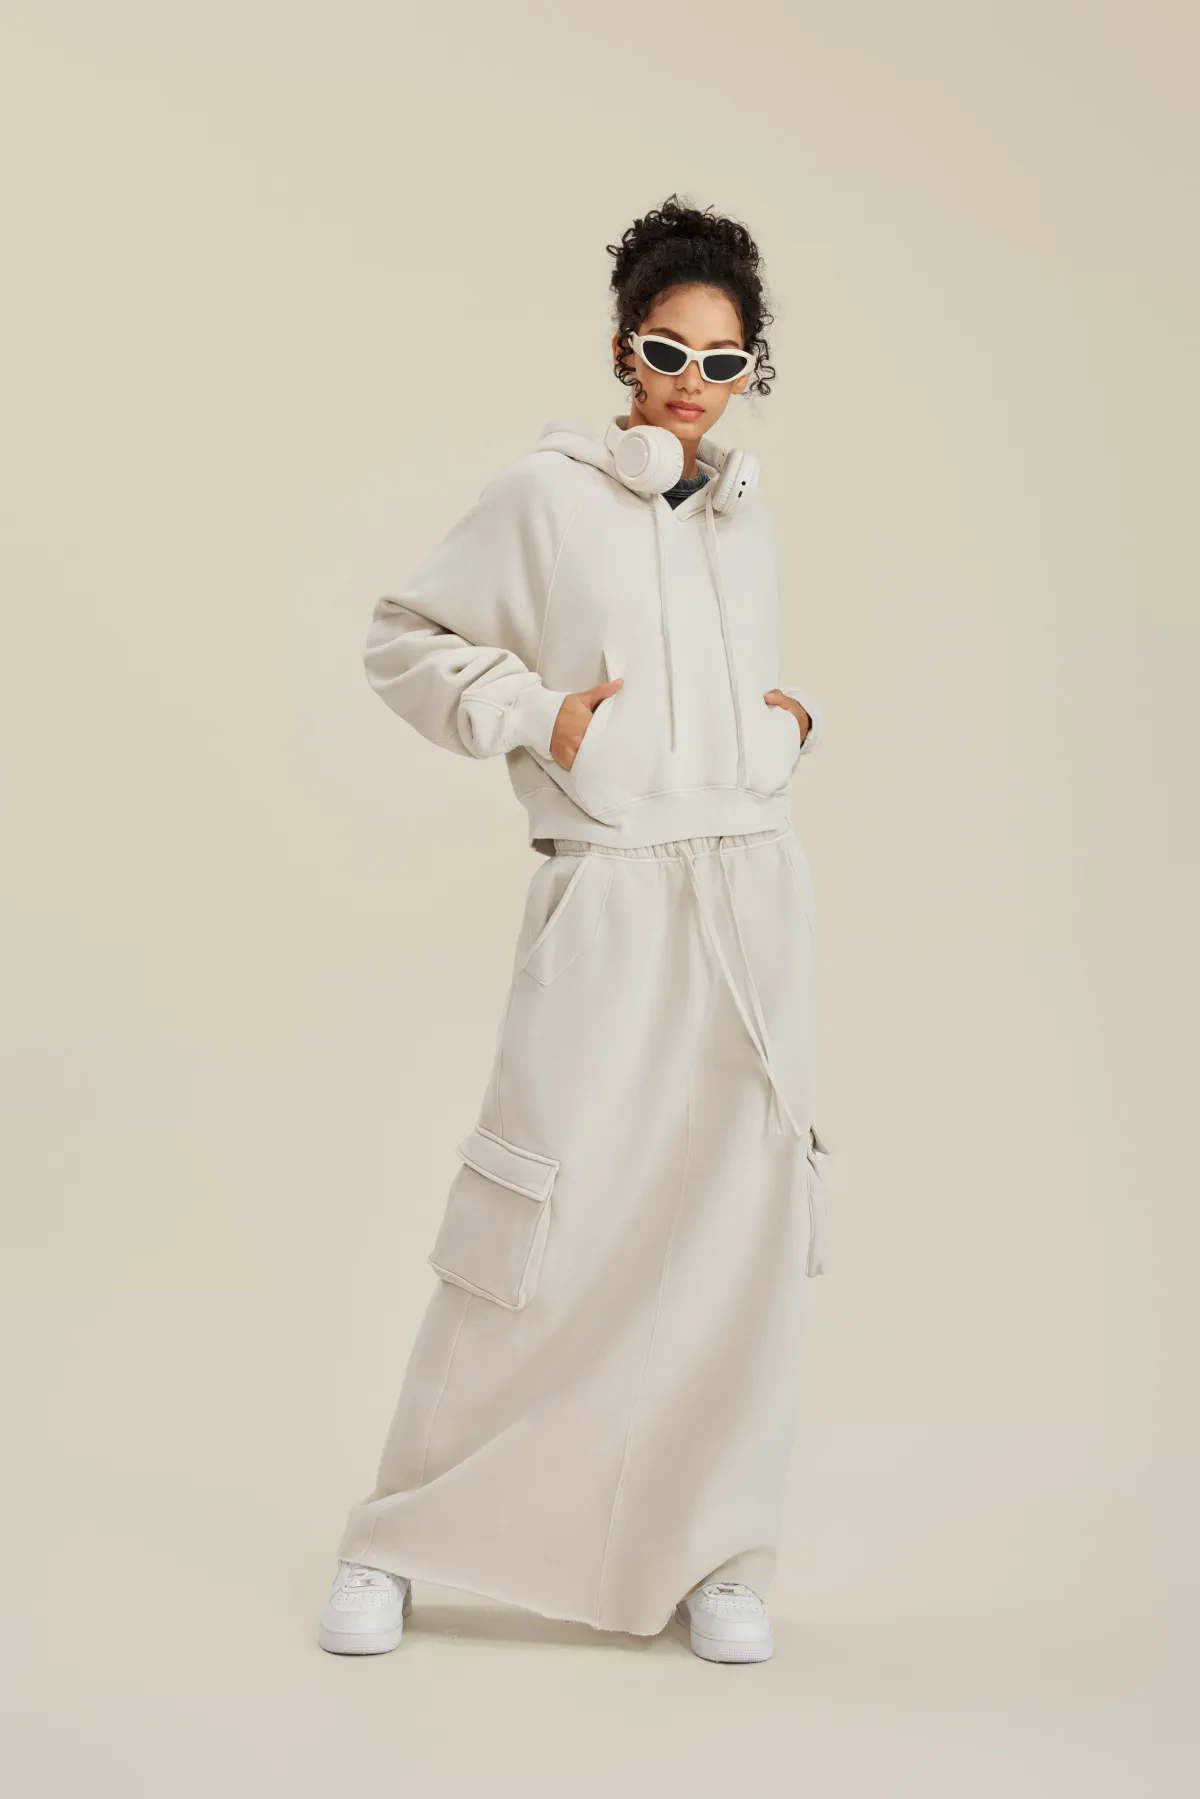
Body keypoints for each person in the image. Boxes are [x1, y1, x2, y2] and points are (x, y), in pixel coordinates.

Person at [319, 193, 831, 1666]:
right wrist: (539, 717)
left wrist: (785, 733)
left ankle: (717, 1554)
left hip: (752, 891)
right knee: (538, 1214)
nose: (691, 381)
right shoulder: (545, 498)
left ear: (750, 370)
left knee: (739, 1224)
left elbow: (731, 686)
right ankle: (394, 1538)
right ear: (623, 349)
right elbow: (404, 636)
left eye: (722, 360)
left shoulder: (747, 516)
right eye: (667, 349)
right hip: (608, 888)